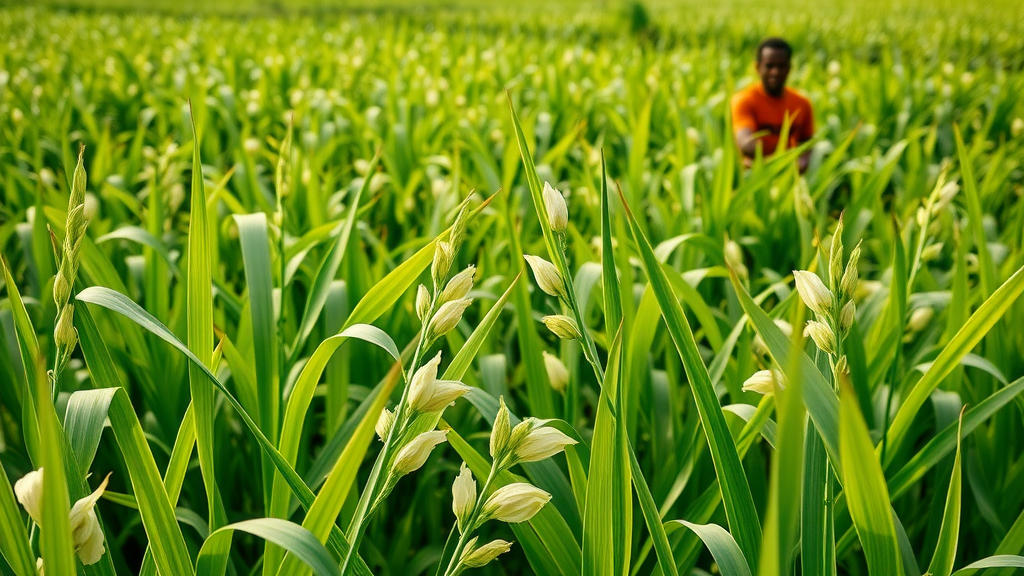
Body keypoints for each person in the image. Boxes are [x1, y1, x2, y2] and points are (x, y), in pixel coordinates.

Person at [731, 37, 814, 171]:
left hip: (791, 176)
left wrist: (803, 161)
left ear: (789, 68)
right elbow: (746, 145)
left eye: (781, 66)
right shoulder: (744, 100)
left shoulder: (802, 103)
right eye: (769, 66)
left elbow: (808, 144)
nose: (775, 72)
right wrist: (784, 161)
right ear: (757, 67)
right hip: (754, 175)